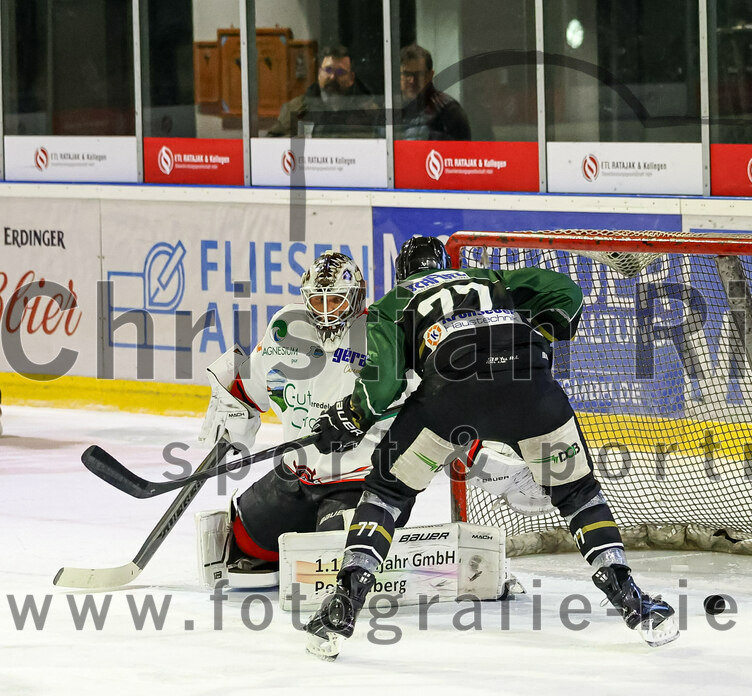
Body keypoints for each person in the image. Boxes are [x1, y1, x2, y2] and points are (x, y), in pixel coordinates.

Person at [304, 237, 678, 660]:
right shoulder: (488, 277)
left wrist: (351, 417)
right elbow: (567, 294)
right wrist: (531, 334)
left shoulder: (396, 300)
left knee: (388, 493)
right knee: (578, 494)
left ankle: (344, 604)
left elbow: (381, 387)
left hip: (451, 397)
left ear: (402, 273)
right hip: (530, 385)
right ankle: (631, 598)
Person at [197, 250, 550, 586]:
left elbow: (437, 413)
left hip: (363, 484)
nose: (325, 311)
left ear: (356, 298)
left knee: (335, 562)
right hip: (296, 477)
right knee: (245, 543)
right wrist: (231, 408)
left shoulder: (384, 333)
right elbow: (248, 384)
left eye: (335, 300)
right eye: (317, 300)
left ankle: (396, 559)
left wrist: (487, 464)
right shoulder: (286, 328)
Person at [266, 45, 382, 138]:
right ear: (319, 74)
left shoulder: (369, 112)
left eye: (340, 72)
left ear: (351, 78)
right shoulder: (297, 109)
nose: (332, 77)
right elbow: (271, 146)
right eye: (328, 70)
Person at [396, 44, 471, 141]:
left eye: (419, 74)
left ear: (430, 75)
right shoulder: (390, 107)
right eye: (406, 74)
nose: (412, 80)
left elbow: (463, 152)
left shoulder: (448, 110)